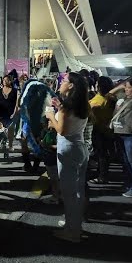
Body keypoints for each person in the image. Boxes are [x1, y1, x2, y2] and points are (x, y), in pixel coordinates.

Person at [46, 72, 89, 242]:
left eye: (64, 80)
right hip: (80, 147)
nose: (61, 82)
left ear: (71, 85)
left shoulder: (67, 107)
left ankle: (72, 232)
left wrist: (51, 116)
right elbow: (70, 123)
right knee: (78, 191)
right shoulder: (82, 104)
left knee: (69, 193)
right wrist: (59, 109)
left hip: (68, 149)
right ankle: (74, 226)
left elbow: (61, 130)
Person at [109, 78, 132, 197]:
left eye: (129, 88)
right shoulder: (123, 98)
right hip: (119, 133)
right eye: (126, 87)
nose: (126, 90)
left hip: (131, 134)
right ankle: (130, 184)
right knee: (126, 161)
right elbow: (108, 95)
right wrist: (120, 87)